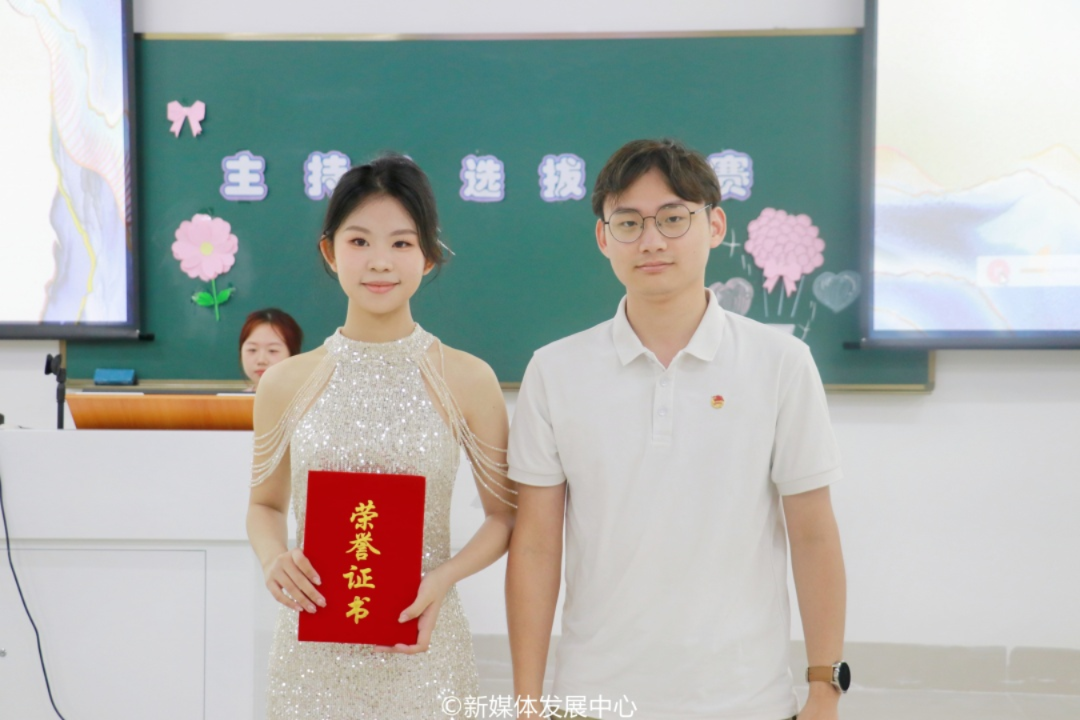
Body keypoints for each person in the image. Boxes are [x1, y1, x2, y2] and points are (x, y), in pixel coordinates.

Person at [507, 139, 847, 720]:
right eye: (629, 222)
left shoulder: (781, 362)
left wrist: (824, 687)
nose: (652, 241)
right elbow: (536, 545)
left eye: (672, 218)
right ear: (603, 238)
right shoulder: (555, 369)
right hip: (593, 695)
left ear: (715, 225)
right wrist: (527, 702)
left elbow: (813, 533)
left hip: (743, 699)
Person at [246, 154, 517, 719]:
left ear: (428, 254)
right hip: (312, 658)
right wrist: (273, 558)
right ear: (330, 251)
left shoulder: (467, 378)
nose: (379, 261)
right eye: (359, 241)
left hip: (422, 646)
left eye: (401, 243)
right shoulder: (285, 382)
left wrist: (444, 578)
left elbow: (505, 518)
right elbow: (264, 504)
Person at [239, 308, 303, 391]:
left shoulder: (308, 399)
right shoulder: (232, 399)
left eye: (272, 350)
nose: (261, 360)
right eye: (252, 350)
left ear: (293, 355)